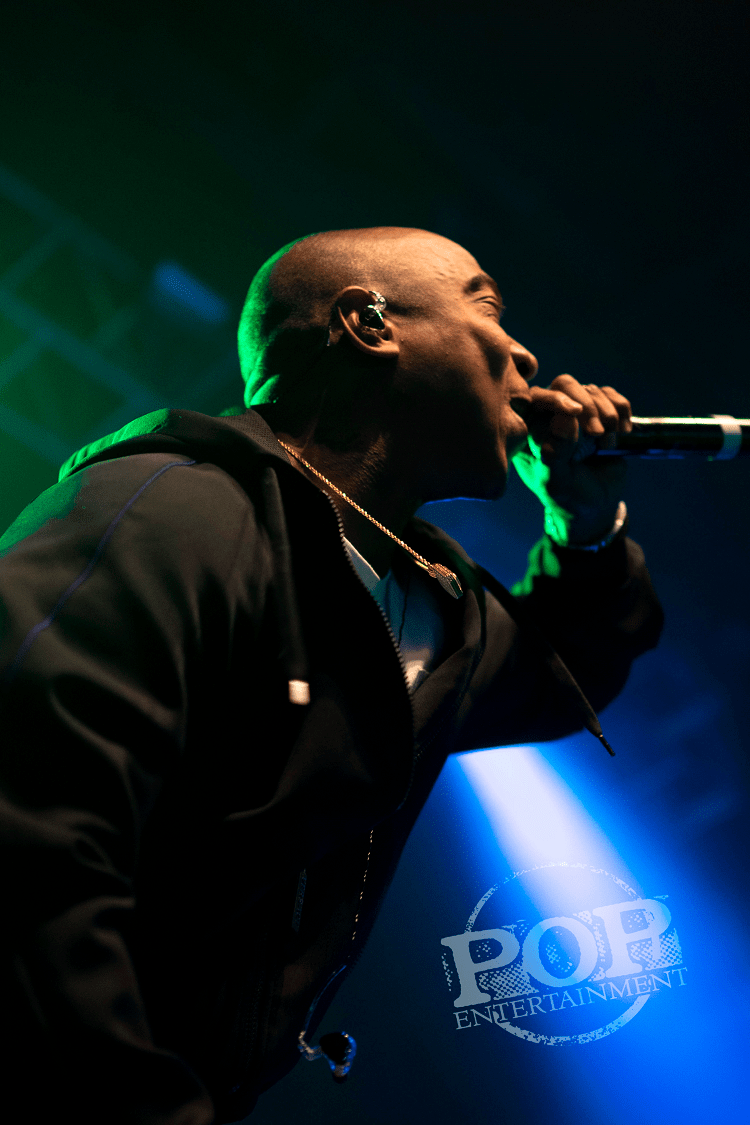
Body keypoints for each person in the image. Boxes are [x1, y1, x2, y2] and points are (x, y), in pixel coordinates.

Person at [0, 227, 662, 1124]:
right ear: (369, 322)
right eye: (486, 306)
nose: (525, 354)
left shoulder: (437, 602)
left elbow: (562, 677)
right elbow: (29, 838)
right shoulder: (172, 512)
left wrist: (583, 523)